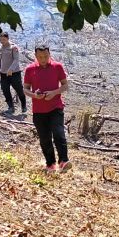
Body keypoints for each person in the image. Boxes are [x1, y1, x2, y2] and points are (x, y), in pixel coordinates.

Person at [23, 42, 71, 172]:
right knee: (44, 138)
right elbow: (25, 89)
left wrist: (54, 92)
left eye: (45, 56)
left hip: (56, 106)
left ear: (49, 54)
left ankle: (63, 161)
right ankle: (50, 164)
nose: (43, 59)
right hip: (38, 110)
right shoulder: (30, 69)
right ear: (35, 56)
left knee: (58, 133)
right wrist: (34, 95)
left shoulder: (57, 67)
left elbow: (65, 85)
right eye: (40, 57)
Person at [0, 32, 27, 115]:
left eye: (4, 39)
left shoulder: (13, 47)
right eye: (1, 39)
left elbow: (16, 60)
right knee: (5, 90)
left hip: (14, 73)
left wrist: (11, 69)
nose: (2, 41)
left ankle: (23, 105)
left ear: (7, 38)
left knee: (19, 89)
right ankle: (10, 107)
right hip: (3, 73)